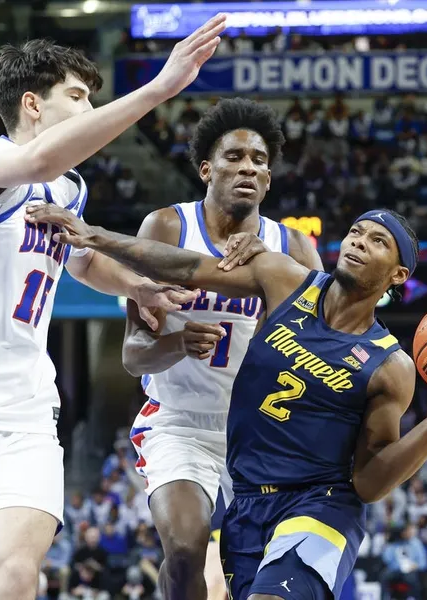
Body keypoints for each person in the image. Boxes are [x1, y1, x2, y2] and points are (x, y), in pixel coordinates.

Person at [0, 16, 227, 600]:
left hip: (24, 410)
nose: (90, 109)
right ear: (33, 104)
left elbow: (81, 262)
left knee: (16, 573)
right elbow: (37, 162)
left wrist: (137, 287)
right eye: (78, 96)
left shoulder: (69, 190)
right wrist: (158, 89)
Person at [24, 203, 427, 599]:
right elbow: (186, 265)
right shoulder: (285, 280)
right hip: (248, 503)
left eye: (377, 241)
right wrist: (97, 237)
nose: (359, 242)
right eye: (356, 232)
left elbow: (369, 482)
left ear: (398, 274)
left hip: (321, 505)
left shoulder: (390, 366)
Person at [121, 98, 322, 600]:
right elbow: (133, 355)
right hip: (179, 422)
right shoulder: (168, 228)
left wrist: (274, 282)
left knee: (252, 574)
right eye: (234, 157)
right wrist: (177, 342)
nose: (248, 167)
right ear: (206, 169)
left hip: (260, 432)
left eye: (259, 160)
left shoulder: (294, 249)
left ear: (269, 179)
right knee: (185, 547)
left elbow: (324, 349)